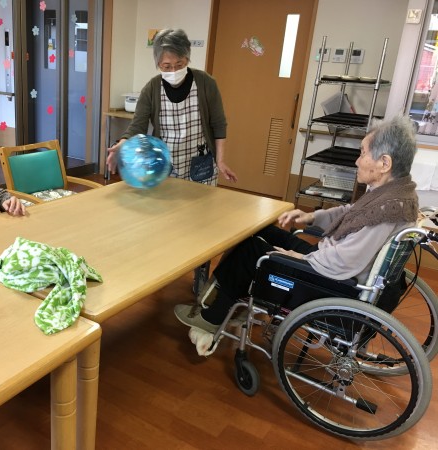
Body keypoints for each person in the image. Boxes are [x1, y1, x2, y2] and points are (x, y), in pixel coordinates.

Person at [175, 115, 419, 333]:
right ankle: (223, 299)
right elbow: (349, 213)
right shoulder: (392, 193)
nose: (357, 161)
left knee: (251, 250)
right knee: (259, 229)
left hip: (332, 280)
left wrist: (300, 259)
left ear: (384, 163)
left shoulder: (387, 210)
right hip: (327, 263)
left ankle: (213, 317)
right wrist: (311, 217)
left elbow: (346, 261)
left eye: (363, 153)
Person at [106, 28, 237, 186]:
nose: (174, 71)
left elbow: (219, 124)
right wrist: (121, 144)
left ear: (187, 59)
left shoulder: (206, 83)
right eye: (167, 66)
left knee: (201, 201)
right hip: (164, 164)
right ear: (158, 64)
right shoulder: (152, 88)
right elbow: (137, 126)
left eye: (179, 64)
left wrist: (220, 160)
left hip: (201, 164)